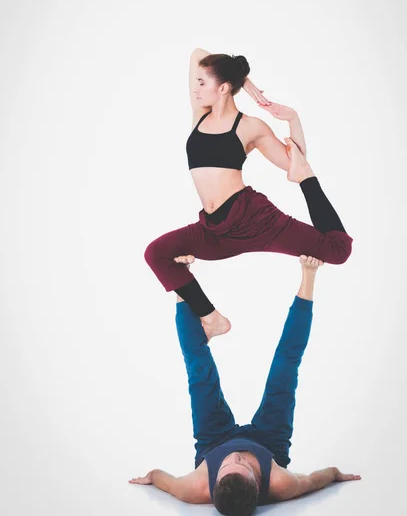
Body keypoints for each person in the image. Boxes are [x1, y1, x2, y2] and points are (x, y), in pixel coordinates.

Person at [144, 47, 353, 340]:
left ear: (223, 88)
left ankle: (332, 227)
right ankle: (213, 319)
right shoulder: (200, 115)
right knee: (156, 253)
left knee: (337, 251)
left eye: (203, 83)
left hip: (255, 221)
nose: (195, 87)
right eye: (197, 82)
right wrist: (247, 81)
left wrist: (292, 118)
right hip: (214, 230)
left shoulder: (250, 127)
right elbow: (197, 54)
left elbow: (296, 165)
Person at [129, 256, 361, 514]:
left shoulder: (192, 489)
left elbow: (160, 477)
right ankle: (309, 273)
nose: (236, 456)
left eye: (229, 464)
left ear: (213, 482)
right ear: (259, 481)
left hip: (213, 441)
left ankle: (181, 277)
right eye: (244, 464)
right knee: (285, 367)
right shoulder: (282, 484)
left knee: (198, 371)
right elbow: (316, 479)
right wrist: (335, 474)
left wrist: (151, 477)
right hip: (269, 443)